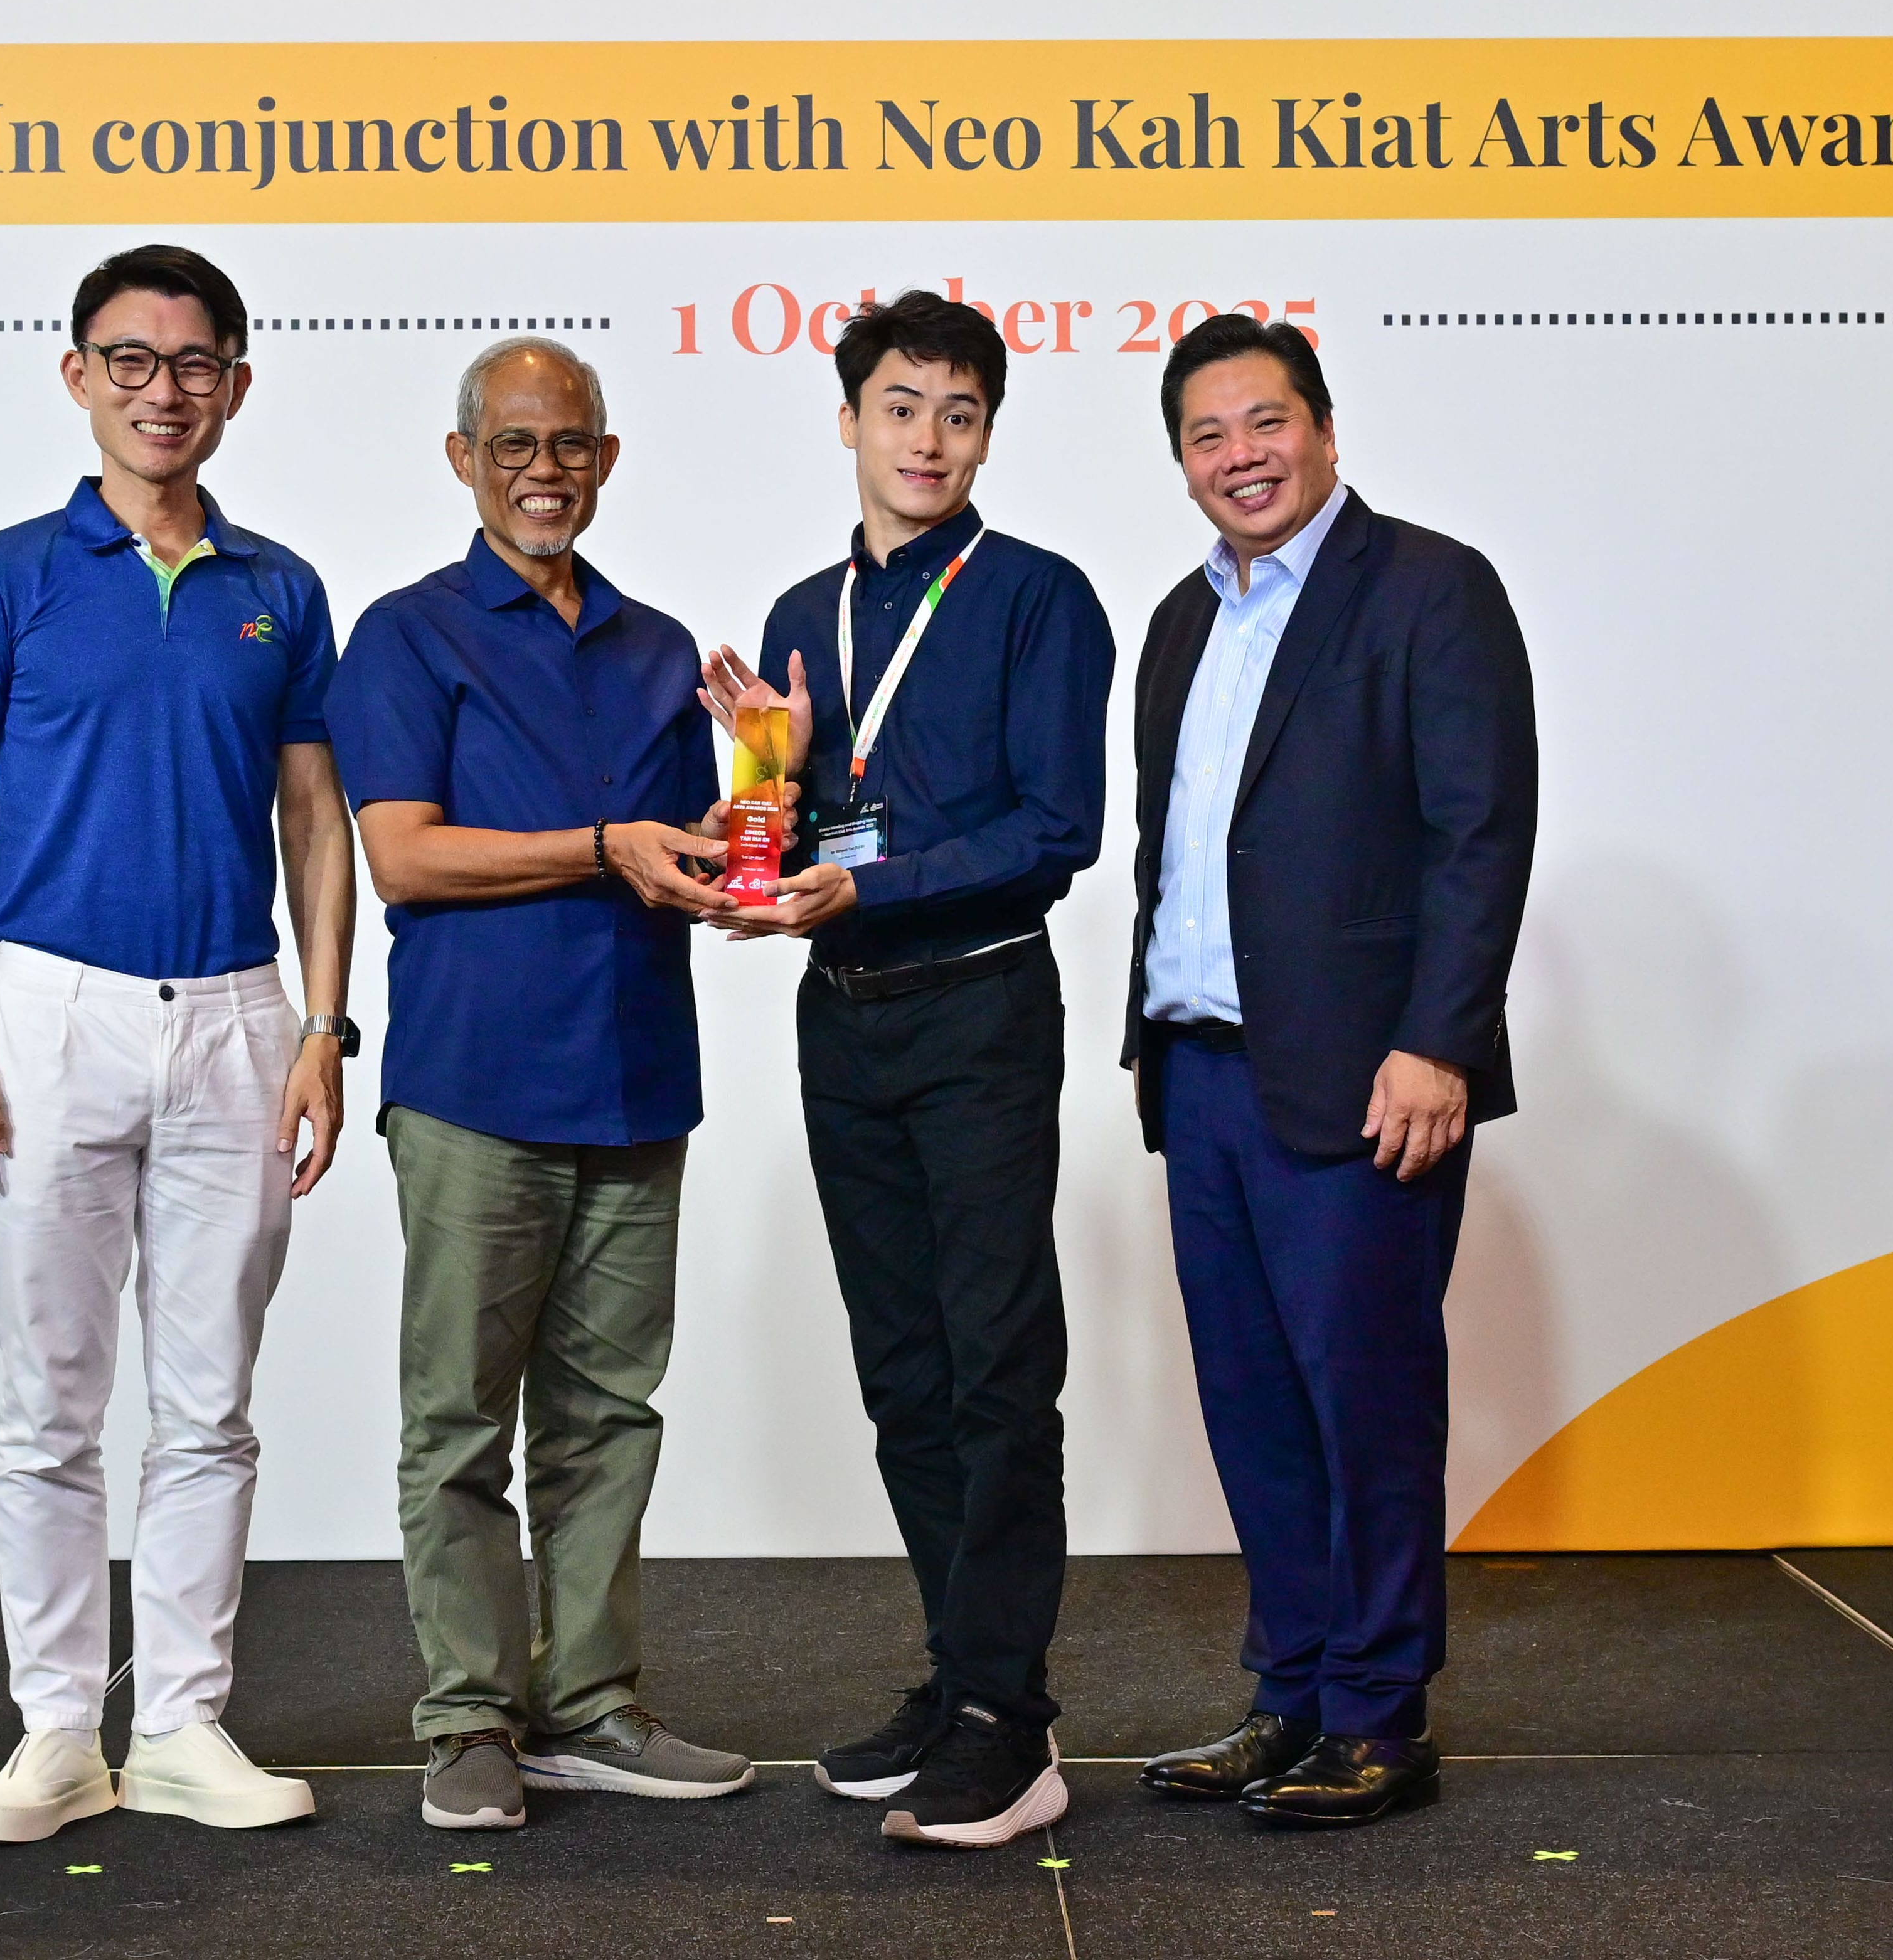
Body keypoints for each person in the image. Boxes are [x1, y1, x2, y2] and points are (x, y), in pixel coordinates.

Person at [0, 242, 353, 1848]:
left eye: (193, 363)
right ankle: (53, 1728)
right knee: (49, 1403)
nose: (163, 390)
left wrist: (323, 1025)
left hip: (237, 1015)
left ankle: (176, 1724)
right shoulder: (4, 575)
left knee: (209, 1398)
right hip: (47, 1011)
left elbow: (316, 819)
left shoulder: (280, 588)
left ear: (236, 382)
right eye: (131, 359)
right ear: (78, 375)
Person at [698, 291, 1115, 1851]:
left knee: (997, 1364)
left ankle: (1013, 1719)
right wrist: (771, 783)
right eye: (900, 405)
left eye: (958, 410)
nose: (927, 437)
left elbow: (1055, 829)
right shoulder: (804, 612)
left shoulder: (1037, 596)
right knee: (903, 1368)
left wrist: (865, 877)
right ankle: (958, 1676)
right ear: (849, 419)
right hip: (845, 1011)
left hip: (980, 1004)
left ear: (987, 431)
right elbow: (802, 830)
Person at [331, 338, 761, 1833]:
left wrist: (762, 790)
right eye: (512, 443)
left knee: (606, 1416)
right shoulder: (405, 635)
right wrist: (601, 844)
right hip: (474, 1084)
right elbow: (404, 855)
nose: (542, 470)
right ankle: (467, 1716)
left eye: (569, 443)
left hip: (637, 1078)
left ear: (607, 458)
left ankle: (588, 1705)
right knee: (458, 1421)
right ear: (463, 459)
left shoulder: (659, 649)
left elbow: (683, 855)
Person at [1121, 312, 1537, 1829]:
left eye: (1265, 421)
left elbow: (1480, 831)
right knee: (1254, 1407)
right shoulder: (1182, 618)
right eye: (1207, 435)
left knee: (1366, 1403)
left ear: (1324, 428)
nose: (1240, 454)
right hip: (1203, 1069)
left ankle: (1375, 1711)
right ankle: (1288, 1690)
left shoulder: (1428, 586)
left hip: (1367, 1077)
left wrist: (1439, 1040)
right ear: (1182, 464)